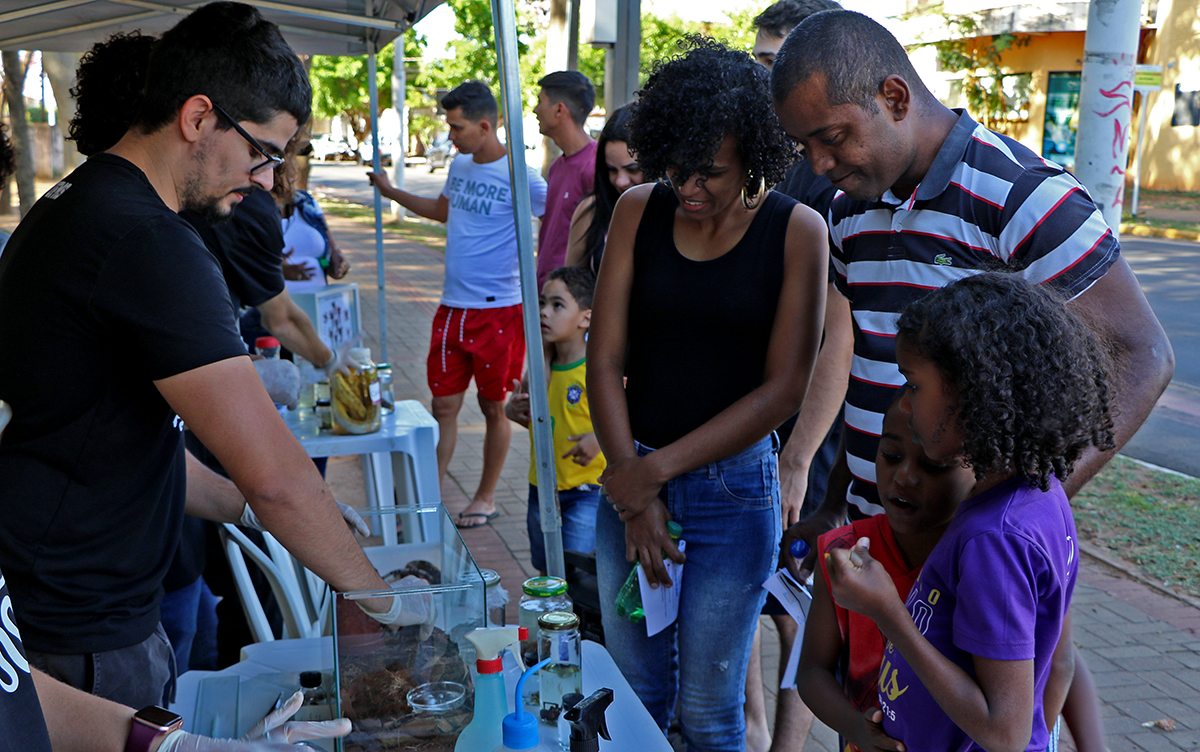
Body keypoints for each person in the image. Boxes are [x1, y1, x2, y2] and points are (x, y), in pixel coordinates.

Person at [0, 1, 415, 713]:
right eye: (263, 151)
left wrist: (242, 507)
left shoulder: (82, 203)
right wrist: (386, 602)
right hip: (84, 620)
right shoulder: (147, 241)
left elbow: (120, 433)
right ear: (198, 118)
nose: (264, 178)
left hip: (66, 594)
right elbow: (278, 474)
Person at [770, 17, 1170, 747]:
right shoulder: (847, 211)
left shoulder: (1023, 196)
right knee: (888, 720)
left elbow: (1143, 357)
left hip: (965, 551)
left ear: (894, 95)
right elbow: (862, 357)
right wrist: (835, 499)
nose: (819, 163)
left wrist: (1014, 503)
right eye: (805, 147)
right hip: (884, 536)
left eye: (832, 137)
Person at [588, 37, 829, 751]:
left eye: (711, 173)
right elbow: (605, 360)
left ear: (754, 155)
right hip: (629, 474)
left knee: (711, 712)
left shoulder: (797, 232)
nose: (688, 188)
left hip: (732, 497)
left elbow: (786, 388)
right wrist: (635, 495)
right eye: (675, 168)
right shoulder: (638, 209)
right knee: (633, 700)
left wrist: (648, 479)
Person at [824, 272, 1114, 752]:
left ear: (971, 394)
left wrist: (887, 613)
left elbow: (1004, 733)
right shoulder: (1038, 495)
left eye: (914, 385)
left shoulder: (995, 537)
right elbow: (1056, 662)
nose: (906, 404)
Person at [740, 4, 849, 751]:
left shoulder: (828, 183)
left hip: (807, 438)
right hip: (743, 425)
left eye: (775, 61)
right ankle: (747, 734)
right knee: (745, 595)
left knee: (797, 605)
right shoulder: (752, 160)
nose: (761, 78)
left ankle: (786, 743)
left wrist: (800, 454)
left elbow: (837, 327)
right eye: (758, 60)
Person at [367, 80, 549, 529]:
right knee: (443, 406)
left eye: (456, 127)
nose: (451, 136)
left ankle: (485, 498)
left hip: (500, 310)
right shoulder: (462, 166)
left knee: (493, 408)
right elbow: (443, 211)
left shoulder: (522, 175)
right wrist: (391, 192)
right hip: (453, 308)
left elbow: (562, 216)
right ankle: (427, 496)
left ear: (485, 126)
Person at [505, 266, 605, 574]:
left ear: (585, 318)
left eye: (557, 305)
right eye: (542, 303)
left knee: (576, 571)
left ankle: (578, 623)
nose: (545, 312)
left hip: (586, 491)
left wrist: (598, 440)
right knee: (547, 569)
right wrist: (513, 413)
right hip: (542, 487)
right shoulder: (539, 370)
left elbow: (629, 420)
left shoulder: (598, 370)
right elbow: (542, 423)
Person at [532, 70, 598, 286]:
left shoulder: (595, 166)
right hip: (549, 295)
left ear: (560, 109)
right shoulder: (557, 167)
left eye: (541, 101)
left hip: (572, 302)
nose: (535, 110)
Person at [563, 104, 643, 273]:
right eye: (612, 170)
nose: (621, 181)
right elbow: (572, 283)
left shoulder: (678, 209)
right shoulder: (591, 210)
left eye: (632, 169)